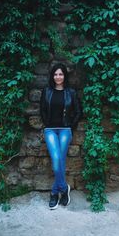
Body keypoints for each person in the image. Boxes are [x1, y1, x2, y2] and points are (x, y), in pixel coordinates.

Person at [40, 63, 82, 210]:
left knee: (60, 160)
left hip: (65, 130)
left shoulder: (71, 92)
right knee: (57, 159)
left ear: (65, 76)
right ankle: (63, 189)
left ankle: (54, 192)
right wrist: (47, 124)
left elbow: (78, 111)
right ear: (52, 76)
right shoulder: (46, 91)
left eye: (61, 74)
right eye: (56, 74)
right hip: (50, 130)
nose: (58, 77)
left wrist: (70, 126)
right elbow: (42, 111)